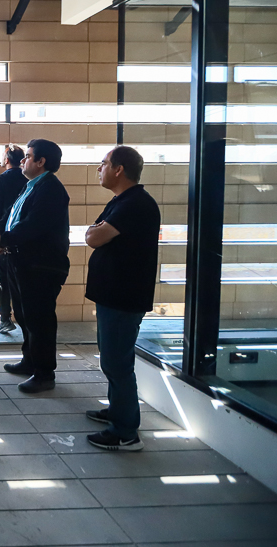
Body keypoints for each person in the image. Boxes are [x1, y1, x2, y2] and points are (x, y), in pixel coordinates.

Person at [84, 146, 160, 452]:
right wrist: (97, 231)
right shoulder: (122, 201)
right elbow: (94, 232)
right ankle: (117, 411)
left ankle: (126, 432)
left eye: (103, 164)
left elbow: (93, 237)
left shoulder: (134, 204)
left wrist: (97, 231)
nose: (99, 169)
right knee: (112, 360)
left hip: (123, 298)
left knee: (117, 363)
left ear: (119, 169)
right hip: (113, 296)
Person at [0, 139, 70, 394]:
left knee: (40, 320)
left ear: (41, 161)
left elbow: (34, 225)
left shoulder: (51, 189)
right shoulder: (31, 186)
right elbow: (11, 215)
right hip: (22, 262)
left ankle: (44, 373)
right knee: (25, 315)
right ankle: (30, 360)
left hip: (41, 266)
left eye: (27, 156)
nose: (23, 160)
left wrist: (5, 238)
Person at [0, 144, 28, 334]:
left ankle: (5, 318)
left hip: (3, 236)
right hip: (24, 237)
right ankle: (26, 318)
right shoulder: (29, 180)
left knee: (3, 278)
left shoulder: (0, 180)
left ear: (7, 159)